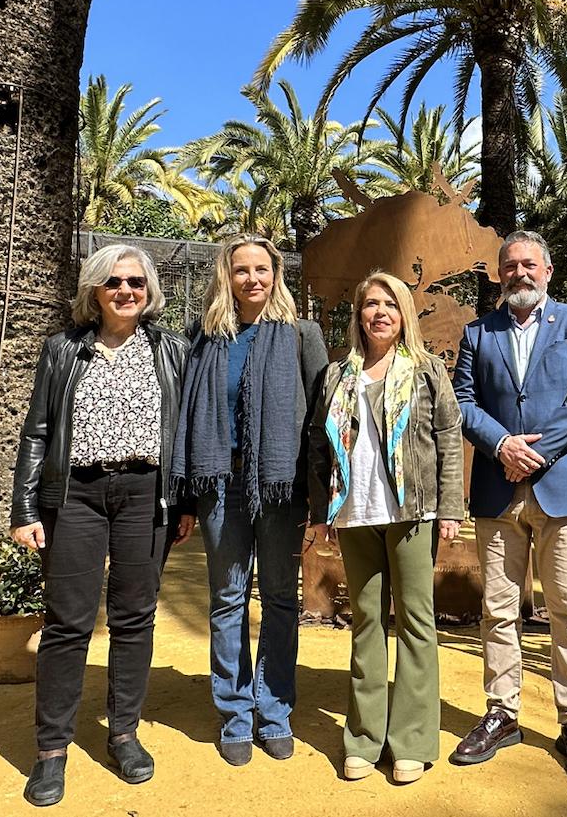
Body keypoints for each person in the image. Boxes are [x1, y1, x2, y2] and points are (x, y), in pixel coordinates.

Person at [11, 244, 190, 807]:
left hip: (145, 494)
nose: (125, 290)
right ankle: (51, 752)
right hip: (77, 497)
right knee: (68, 622)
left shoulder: (171, 349)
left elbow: (183, 431)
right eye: (113, 281)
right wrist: (25, 509)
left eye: (136, 281)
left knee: (135, 618)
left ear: (149, 289)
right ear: (94, 289)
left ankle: (123, 734)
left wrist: (183, 501)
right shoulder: (63, 349)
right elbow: (37, 430)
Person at [450, 230, 567, 782]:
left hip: (563, 487)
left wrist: (532, 451)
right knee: (498, 609)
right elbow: (463, 401)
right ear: (499, 275)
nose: (519, 273)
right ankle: (502, 714)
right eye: (509, 265)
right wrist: (501, 445)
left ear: (547, 271)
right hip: (498, 490)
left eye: (528, 264)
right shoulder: (477, 333)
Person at [170, 234, 327, 766]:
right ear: (227, 276)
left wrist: (317, 499)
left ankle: (275, 710)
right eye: (242, 270)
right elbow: (189, 419)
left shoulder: (303, 336)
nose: (252, 279)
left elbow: (319, 425)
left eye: (262, 269)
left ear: (276, 275)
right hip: (222, 485)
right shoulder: (206, 336)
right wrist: (188, 497)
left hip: (282, 488)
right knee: (228, 599)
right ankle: (235, 714)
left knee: (281, 599)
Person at [308, 271, 464, 785]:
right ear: (358, 315)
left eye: (390, 305)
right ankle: (364, 738)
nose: (379, 313)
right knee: (366, 624)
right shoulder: (337, 375)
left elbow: (447, 439)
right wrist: (322, 513)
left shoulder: (425, 372)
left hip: (412, 515)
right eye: (370, 304)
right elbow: (320, 450)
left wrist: (450, 510)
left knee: (417, 624)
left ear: (403, 316)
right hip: (355, 514)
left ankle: (412, 741)